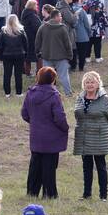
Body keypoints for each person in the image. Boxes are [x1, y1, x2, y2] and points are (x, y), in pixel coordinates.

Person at [22, 67, 69, 199]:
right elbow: (59, 117)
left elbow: (24, 113)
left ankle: (32, 192)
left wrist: (35, 122)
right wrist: (65, 127)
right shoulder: (54, 96)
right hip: (52, 137)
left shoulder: (30, 93)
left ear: (38, 77)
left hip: (36, 135)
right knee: (49, 166)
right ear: (53, 79)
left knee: (35, 165)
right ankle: (50, 193)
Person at [74, 71, 108, 200]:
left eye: (92, 82)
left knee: (101, 167)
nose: (90, 85)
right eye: (87, 82)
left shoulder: (105, 99)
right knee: (86, 167)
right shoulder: (80, 98)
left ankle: (103, 195)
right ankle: (86, 194)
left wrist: (103, 131)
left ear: (98, 83)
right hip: (83, 138)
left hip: (99, 139)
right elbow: (77, 115)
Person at [35, 8, 74, 96]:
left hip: (47, 56)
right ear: (56, 17)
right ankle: (68, 93)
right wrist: (70, 55)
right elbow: (67, 43)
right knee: (64, 76)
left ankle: (49, 93)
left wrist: (37, 52)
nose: (61, 18)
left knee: (47, 77)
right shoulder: (62, 28)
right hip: (61, 57)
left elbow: (37, 41)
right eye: (60, 16)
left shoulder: (42, 27)